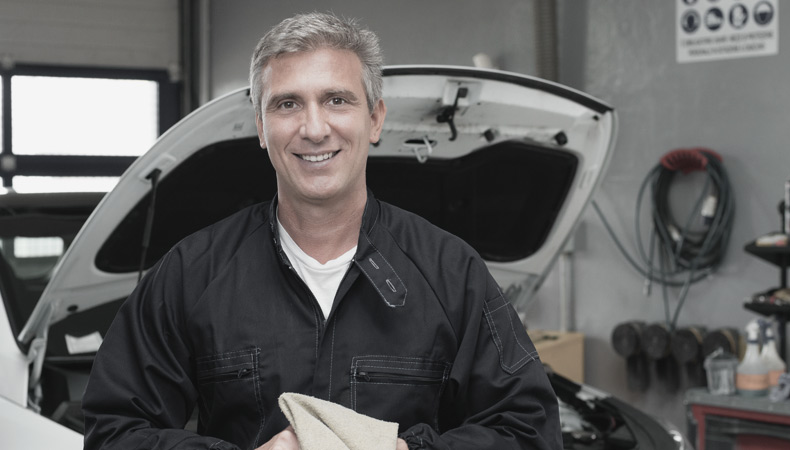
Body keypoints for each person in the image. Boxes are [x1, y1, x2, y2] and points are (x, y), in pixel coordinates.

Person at [82, 11, 562, 450]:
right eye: (288, 104)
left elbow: (529, 431)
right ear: (260, 127)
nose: (314, 128)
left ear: (374, 119)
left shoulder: (451, 273)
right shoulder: (192, 273)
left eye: (337, 100)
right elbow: (113, 432)